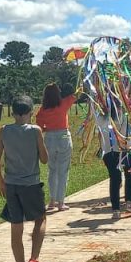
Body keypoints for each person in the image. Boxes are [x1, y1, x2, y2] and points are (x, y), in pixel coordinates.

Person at [0, 95, 49, 262]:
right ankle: (34, 260)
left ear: (13, 112)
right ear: (31, 113)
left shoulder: (4, 130)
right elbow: (44, 159)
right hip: (31, 184)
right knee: (41, 219)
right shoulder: (35, 131)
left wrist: (1, 182)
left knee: (16, 228)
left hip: (11, 185)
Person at [35, 83, 77, 212]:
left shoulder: (43, 109)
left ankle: (52, 201)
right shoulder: (64, 104)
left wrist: (47, 128)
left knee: (52, 170)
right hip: (63, 136)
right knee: (63, 170)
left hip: (49, 138)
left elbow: (39, 124)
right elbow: (76, 95)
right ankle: (61, 202)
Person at [96, 101, 131, 219]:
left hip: (118, 150)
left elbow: (99, 134)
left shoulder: (121, 115)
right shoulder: (124, 115)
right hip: (119, 150)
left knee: (117, 179)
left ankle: (118, 208)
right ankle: (124, 205)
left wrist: (102, 147)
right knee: (124, 177)